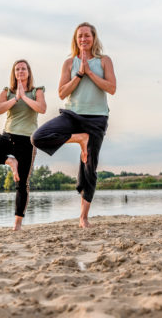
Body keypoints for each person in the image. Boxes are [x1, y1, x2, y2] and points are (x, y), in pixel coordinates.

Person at [31, 22, 116, 228]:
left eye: (87, 35)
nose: (84, 39)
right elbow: (61, 93)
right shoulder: (69, 63)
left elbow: (111, 88)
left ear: (93, 38)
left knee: (89, 168)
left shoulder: (104, 60)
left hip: (96, 118)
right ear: (75, 40)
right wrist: (79, 74)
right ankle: (80, 139)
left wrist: (90, 72)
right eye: (80, 36)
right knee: (38, 137)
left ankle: (83, 217)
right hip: (72, 115)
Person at [0, 59, 46, 231]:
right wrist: (15, 98)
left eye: (23, 69)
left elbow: (41, 108)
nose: (20, 71)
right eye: (17, 69)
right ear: (14, 73)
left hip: (27, 142)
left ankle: (17, 224)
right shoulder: (7, 91)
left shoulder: (37, 91)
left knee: (22, 184)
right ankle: (9, 161)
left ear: (28, 72)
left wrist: (24, 97)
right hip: (7, 138)